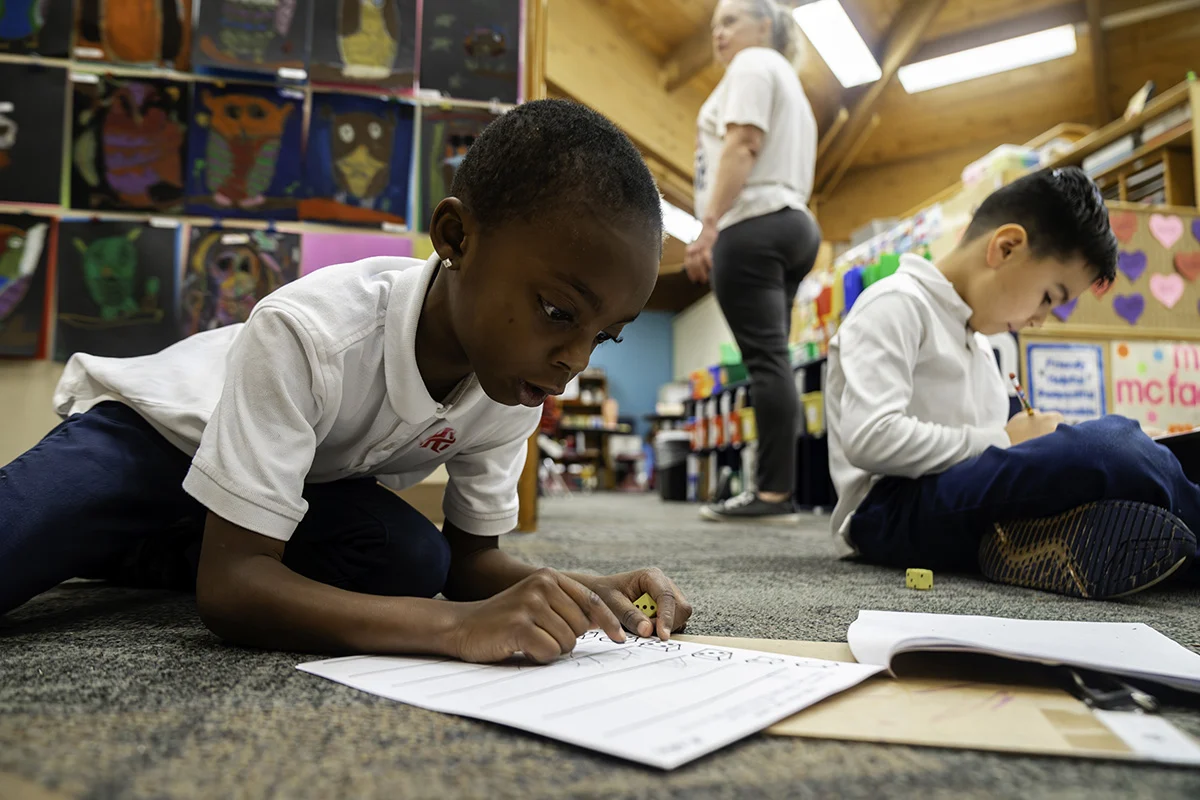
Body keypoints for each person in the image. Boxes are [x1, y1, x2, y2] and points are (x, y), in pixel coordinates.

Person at [0, 100, 693, 662]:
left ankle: (166, 544)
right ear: (456, 238)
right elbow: (231, 591)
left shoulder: (514, 378)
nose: (574, 360)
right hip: (154, 439)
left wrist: (590, 593)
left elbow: (470, 562)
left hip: (305, 483)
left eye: (601, 336)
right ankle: (147, 529)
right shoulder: (311, 332)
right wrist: (455, 630)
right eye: (556, 312)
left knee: (413, 561)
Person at [826, 167, 1200, 600]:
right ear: (1006, 247)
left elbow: (993, 449)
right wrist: (1005, 438)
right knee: (1110, 447)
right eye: (1049, 297)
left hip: (950, 495)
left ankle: (1090, 535)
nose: (1040, 318)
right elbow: (869, 437)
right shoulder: (895, 304)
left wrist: (1038, 437)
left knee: (1155, 451)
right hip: (885, 509)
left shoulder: (981, 340)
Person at [685, 0, 822, 523]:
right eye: (714, 25)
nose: (719, 34)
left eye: (731, 21)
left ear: (764, 24)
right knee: (776, 359)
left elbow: (742, 143)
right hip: (795, 223)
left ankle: (770, 495)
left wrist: (709, 225)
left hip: (754, 223)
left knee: (766, 361)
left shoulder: (751, 65)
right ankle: (777, 490)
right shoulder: (787, 79)